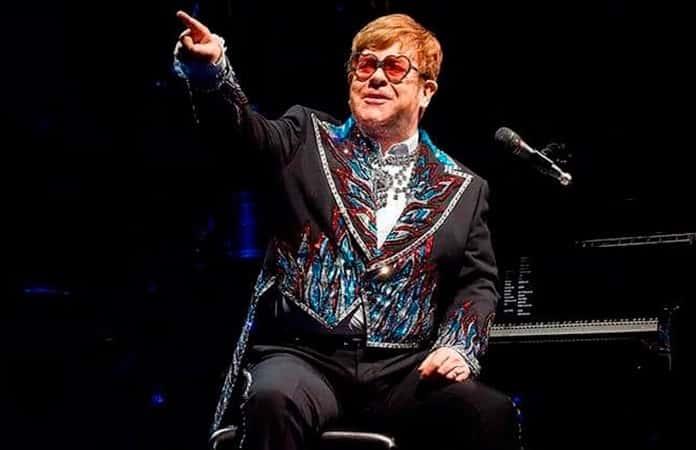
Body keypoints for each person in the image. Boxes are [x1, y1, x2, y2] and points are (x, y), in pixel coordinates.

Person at [173, 10, 518, 450]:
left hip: (403, 368)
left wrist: (457, 346)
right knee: (272, 398)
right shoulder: (306, 137)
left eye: (395, 67)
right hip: (306, 357)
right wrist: (209, 74)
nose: (377, 77)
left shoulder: (463, 188)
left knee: (487, 411)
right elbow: (240, 134)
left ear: (426, 90)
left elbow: (477, 284)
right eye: (365, 64)